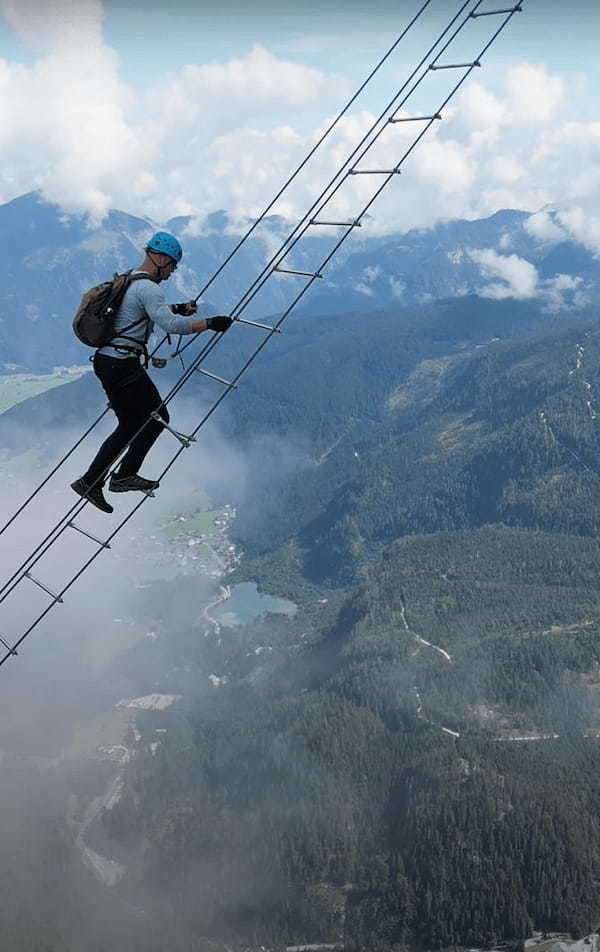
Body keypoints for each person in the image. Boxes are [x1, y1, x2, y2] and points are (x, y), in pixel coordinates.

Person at [71, 231, 232, 513]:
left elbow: (141, 311)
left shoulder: (130, 279)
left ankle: (91, 481)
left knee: (130, 424)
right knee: (158, 418)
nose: (171, 273)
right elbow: (171, 325)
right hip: (123, 364)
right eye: (171, 265)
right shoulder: (149, 289)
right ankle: (123, 476)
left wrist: (180, 308)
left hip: (106, 362)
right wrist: (209, 323)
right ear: (158, 258)